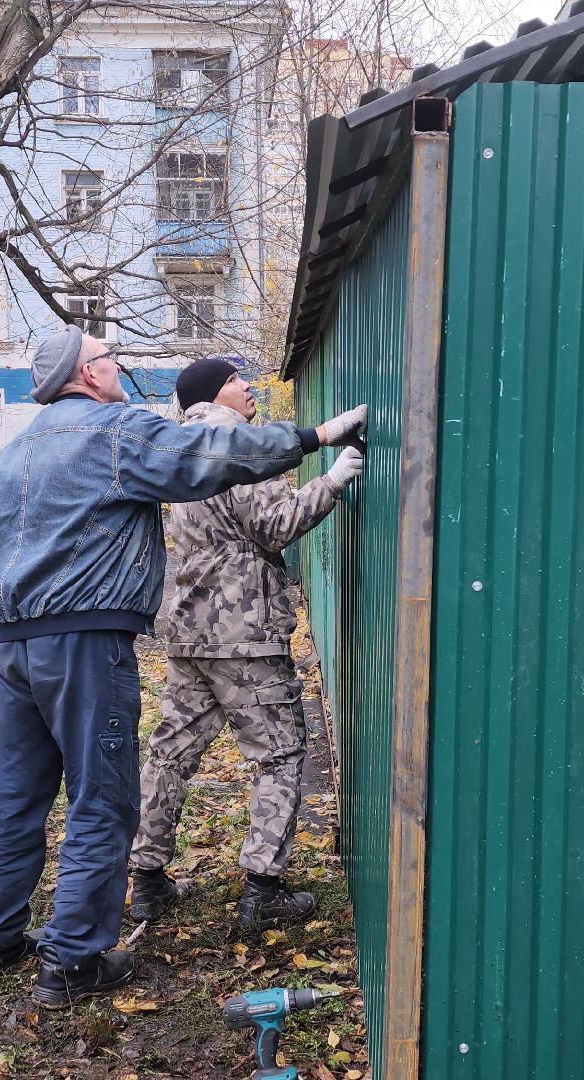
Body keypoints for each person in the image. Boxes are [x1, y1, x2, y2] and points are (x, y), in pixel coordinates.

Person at [0, 326, 367, 1008]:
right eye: (110, 358)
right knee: (102, 799)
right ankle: (74, 961)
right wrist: (312, 439)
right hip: (84, 644)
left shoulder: (14, 451)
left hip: (14, 647)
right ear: (88, 375)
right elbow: (202, 452)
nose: (119, 369)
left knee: (15, 797)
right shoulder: (109, 433)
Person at [126, 359, 365, 934]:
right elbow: (276, 526)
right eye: (238, 379)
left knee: (169, 755)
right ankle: (264, 889)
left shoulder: (179, 446)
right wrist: (333, 480)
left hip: (188, 632)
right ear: (216, 393)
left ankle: (147, 881)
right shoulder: (241, 443)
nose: (250, 386)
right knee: (280, 754)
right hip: (245, 633)